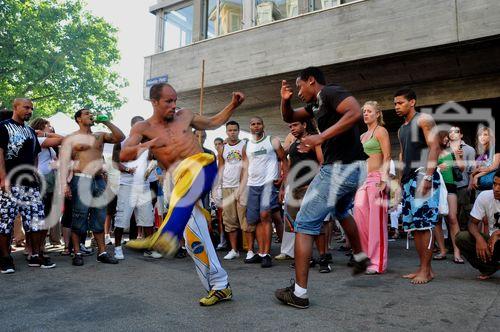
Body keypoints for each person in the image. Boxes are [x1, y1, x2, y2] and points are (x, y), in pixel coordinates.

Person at [120, 83, 245, 306]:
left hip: (202, 168)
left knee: (187, 224)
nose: (174, 105)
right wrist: (148, 144)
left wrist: (233, 105)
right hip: (179, 182)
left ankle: (166, 235)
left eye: (175, 100)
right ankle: (219, 285)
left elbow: (214, 121)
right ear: (154, 102)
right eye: (168, 101)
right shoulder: (142, 127)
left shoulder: (185, 115)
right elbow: (124, 154)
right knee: (194, 239)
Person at [275, 67, 369, 309]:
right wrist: (285, 102)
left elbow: (355, 111)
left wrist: (321, 137)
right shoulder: (315, 106)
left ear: (311, 81)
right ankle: (359, 257)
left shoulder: (330, 92)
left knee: (304, 225)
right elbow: (289, 117)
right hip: (355, 169)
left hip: (339, 169)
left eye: (299, 87)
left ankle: (299, 294)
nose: (298, 92)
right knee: (340, 210)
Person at [59, 109, 125, 266]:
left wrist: (106, 121)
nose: (90, 115)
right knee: (79, 216)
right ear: (78, 119)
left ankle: (102, 252)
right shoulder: (71, 138)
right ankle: (77, 252)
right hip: (80, 179)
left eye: (91, 113)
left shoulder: (100, 135)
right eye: (87, 113)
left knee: (100, 216)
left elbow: (120, 137)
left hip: (98, 180)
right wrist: (64, 185)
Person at [0, 98, 56, 273]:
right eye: (26, 107)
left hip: (31, 185)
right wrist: (3, 178)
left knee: (37, 222)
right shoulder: (3, 127)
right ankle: (5, 258)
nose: (29, 111)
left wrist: (35, 175)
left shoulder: (31, 131)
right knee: (4, 223)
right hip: (10, 182)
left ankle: (35, 255)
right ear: (15, 107)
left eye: (31, 108)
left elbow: (35, 156)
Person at [395, 87, 441, 284]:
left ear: (412, 102)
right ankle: (424, 269)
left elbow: (435, 147)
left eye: (400, 103)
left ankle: (426, 270)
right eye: (395, 103)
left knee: (426, 225)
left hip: (423, 175)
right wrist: (398, 182)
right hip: (408, 180)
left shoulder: (424, 119)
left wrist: (428, 177)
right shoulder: (401, 129)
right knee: (415, 227)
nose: (396, 107)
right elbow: (403, 156)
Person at [278, 120, 332, 273]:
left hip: (310, 188)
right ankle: (306, 258)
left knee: (317, 226)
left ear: (305, 125)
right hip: (294, 189)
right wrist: (283, 186)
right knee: (297, 226)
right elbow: (283, 158)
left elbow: (322, 163)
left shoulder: (315, 140)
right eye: (290, 126)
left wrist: (315, 185)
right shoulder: (294, 143)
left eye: (295, 125)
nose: (292, 129)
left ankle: (323, 259)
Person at [241, 116, 287, 268]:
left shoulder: (272, 140)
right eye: (253, 124)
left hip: (268, 184)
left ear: (263, 125)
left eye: (258, 124)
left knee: (265, 215)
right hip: (252, 185)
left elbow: (284, 159)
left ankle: (267, 254)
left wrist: (283, 180)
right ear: (250, 127)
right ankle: (260, 253)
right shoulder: (246, 145)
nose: (256, 126)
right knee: (255, 220)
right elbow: (245, 167)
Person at [112, 116, 161, 260]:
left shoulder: (147, 143)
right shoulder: (121, 143)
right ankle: (117, 248)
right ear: (132, 127)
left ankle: (149, 248)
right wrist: (127, 170)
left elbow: (153, 159)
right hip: (127, 185)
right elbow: (115, 163)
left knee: (147, 219)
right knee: (122, 218)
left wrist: (151, 167)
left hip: (144, 186)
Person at [353, 101, 391, 274]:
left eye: (369, 111)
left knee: (376, 222)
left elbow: (387, 156)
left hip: (377, 178)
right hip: (362, 179)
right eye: (364, 111)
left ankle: (378, 263)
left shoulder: (381, 131)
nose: (366, 114)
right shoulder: (362, 136)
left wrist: (384, 179)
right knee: (360, 218)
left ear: (377, 114)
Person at [217, 121, 252, 260]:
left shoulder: (244, 145)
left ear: (239, 131)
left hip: (241, 186)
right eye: (230, 130)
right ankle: (234, 250)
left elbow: (246, 166)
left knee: (245, 218)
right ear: (226, 132)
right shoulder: (222, 148)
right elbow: (220, 168)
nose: (232, 132)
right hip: (226, 186)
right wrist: (218, 188)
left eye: (235, 130)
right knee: (229, 220)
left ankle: (250, 250)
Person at [456, 169, 500, 280]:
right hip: (492, 242)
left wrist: (497, 234)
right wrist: (479, 239)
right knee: (461, 237)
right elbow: (472, 223)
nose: (496, 189)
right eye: (494, 184)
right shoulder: (485, 196)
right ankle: (489, 267)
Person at [432, 131, 465, 263]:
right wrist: (438, 167)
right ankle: (442, 250)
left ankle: (457, 253)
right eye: (444, 138)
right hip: (436, 187)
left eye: (447, 138)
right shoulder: (432, 151)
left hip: (450, 186)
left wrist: (458, 157)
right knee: (437, 219)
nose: (446, 140)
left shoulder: (452, 151)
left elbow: (462, 168)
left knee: (452, 218)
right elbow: (426, 168)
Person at [448, 125, 476, 230]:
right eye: (450, 131)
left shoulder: (469, 149)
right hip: (448, 185)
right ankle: (452, 243)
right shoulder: (445, 149)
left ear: (461, 134)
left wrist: (469, 186)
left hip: (463, 186)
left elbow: (472, 170)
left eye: (456, 131)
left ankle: (464, 241)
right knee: (450, 216)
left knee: (464, 216)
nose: (452, 133)